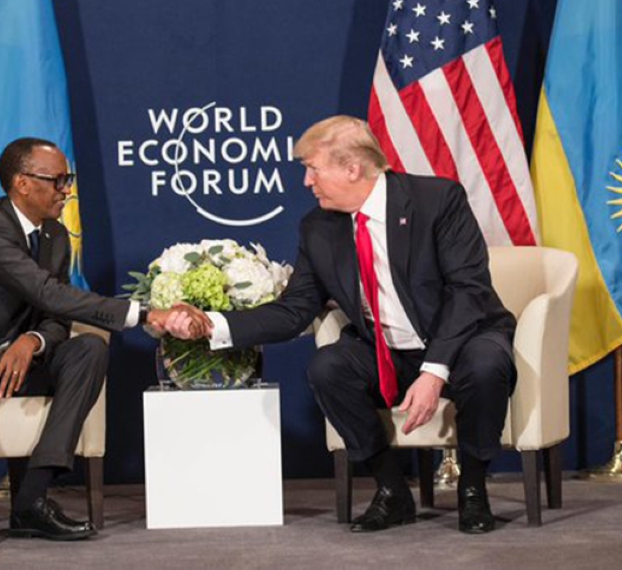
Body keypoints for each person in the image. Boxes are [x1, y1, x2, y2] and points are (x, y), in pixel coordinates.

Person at [165, 116, 517, 534]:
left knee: (484, 364)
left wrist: (435, 369)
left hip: (462, 341)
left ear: (352, 168)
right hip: (386, 352)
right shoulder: (319, 228)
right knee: (328, 367)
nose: (306, 182)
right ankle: (391, 489)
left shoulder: (436, 200)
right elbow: (294, 310)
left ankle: (473, 489)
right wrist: (213, 326)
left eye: (313, 169)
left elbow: (468, 291)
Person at [0, 137, 183, 548]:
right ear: (23, 183)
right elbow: (48, 293)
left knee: (91, 348)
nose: (67, 189)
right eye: (58, 180)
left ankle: (32, 500)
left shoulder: (55, 235)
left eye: (67, 179)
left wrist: (34, 340)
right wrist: (145, 313)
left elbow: (55, 316)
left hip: (19, 362)